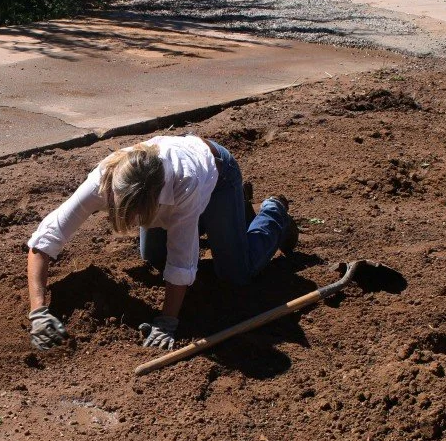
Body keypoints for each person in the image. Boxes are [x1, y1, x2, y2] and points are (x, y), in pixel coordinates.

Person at [26, 134, 297, 351]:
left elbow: (182, 258)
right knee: (153, 256)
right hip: (178, 176)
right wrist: (38, 311)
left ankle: (273, 213)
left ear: (153, 202)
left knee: (236, 272)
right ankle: (233, 214)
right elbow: (46, 238)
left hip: (218, 173)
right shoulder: (104, 180)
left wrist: (167, 320)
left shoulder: (184, 186)